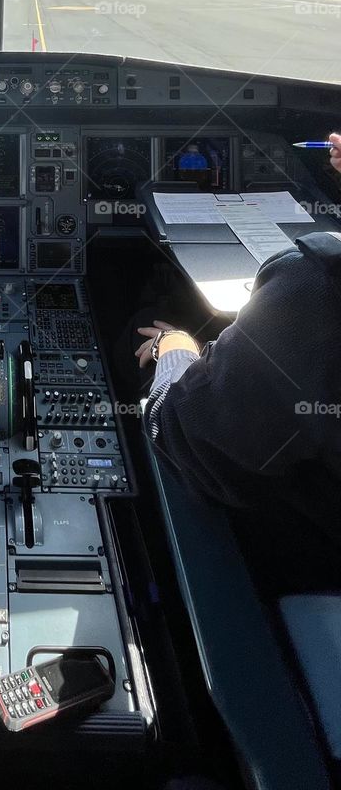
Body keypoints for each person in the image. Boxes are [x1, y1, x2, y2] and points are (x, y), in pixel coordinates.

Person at [136, 132, 341, 592]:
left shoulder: (318, 286)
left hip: (317, 553)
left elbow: (182, 437)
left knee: (138, 325)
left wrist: (176, 348)